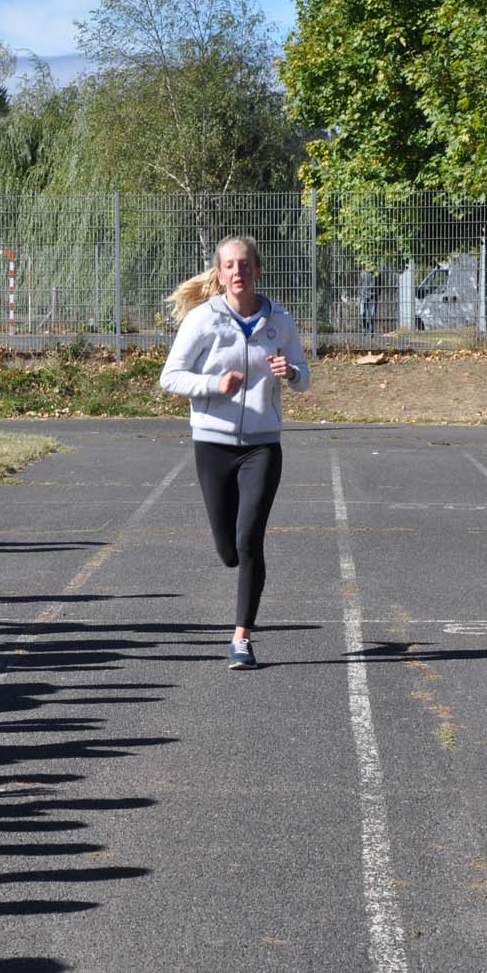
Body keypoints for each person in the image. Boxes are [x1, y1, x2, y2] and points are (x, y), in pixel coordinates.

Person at [159, 235, 310, 670]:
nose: (237, 272)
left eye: (245, 264)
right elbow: (170, 377)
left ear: (258, 270)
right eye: (229, 265)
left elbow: (304, 377)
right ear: (220, 273)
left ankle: (241, 638)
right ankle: (239, 590)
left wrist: (293, 371)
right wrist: (213, 385)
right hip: (213, 443)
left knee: (249, 540)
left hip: (263, 444)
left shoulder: (279, 321)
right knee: (228, 550)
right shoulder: (204, 320)